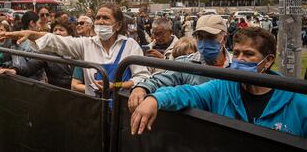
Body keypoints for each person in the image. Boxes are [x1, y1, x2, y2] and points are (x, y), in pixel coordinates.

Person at [130, 27, 307, 137]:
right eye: (236, 53)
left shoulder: (298, 101)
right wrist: (154, 99)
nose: (239, 59)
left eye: (248, 54)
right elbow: (189, 92)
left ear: (268, 61)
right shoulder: (223, 86)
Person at [0, 3, 150, 96]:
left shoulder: (130, 45)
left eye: (105, 18)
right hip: (94, 108)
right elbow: (57, 42)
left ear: (117, 25)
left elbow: (141, 77)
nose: (100, 22)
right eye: (98, 18)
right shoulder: (86, 44)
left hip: (122, 108)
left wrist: (116, 86)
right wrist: (32, 34)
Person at [128, 14, 231, 113]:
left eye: (210, 37)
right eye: (200, 37)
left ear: (224, 39)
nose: (204, 42)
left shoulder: (236, 68)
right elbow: (161, 79)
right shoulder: (186, 64)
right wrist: (141, 88)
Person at [71, 15, 96, 93]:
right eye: (77, 23)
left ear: (90, 26)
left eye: (81, 23)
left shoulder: (97, 44)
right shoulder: (74, 42)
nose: (78, 25)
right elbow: (74, 86)